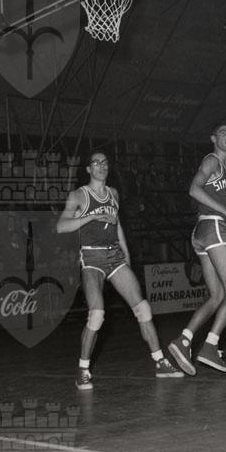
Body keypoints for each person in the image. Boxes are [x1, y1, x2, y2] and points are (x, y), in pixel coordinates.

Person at [57, 151, 182, 390]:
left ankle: (160, 362)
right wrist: (91, 217)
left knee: (143, 308)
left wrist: (126, 254)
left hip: (114, 254)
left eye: (105, 162)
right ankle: (83, 370)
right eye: (96, 163)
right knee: (97, 314)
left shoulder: (113, 193)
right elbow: (62, 226)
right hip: (92, 256)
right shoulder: (79, 196)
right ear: (88, 169)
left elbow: (117, 225)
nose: (101, 166)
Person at [168, 120, 226, 376]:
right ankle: (210, 346)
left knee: (216, 297)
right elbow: (194, 189)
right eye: (222, 133)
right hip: (212, 228)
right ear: (213, 139)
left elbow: (209, 201)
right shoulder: (212, 160)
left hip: (204, 230)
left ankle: (183, 341)